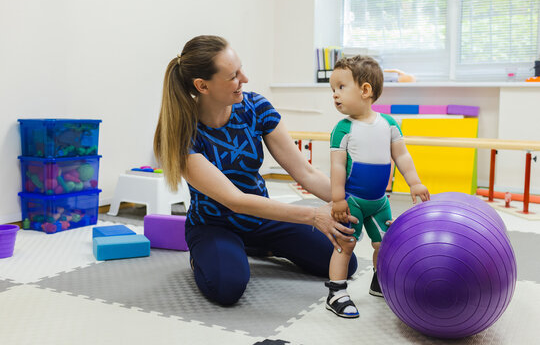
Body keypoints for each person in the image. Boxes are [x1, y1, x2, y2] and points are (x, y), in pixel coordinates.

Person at [153, 35, 359, 306]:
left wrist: (352, 201)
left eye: (241, 69)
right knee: (226, 288)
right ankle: (202, 255)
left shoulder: (256, 108)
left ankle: (261, 245)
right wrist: (313, 216)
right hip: (215, 225)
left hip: (262, 218)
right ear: (202, 86)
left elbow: (305, 173)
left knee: (346, 261)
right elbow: (235, 201)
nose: (245, 79)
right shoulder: (184, 133)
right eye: (233, 76)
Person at [324, 55, 430, 318]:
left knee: (384, 244)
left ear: (365, 90)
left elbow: (402, 156)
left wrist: (414, 183)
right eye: (332, 90)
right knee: (344, 244)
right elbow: (337, 167)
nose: (335, 95)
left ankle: (379, 280)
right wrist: (337, 199)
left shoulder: (389, 124)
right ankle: (336, 292)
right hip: (353, 201)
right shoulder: (342, 128)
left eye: (340, 87)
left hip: (380, 200)